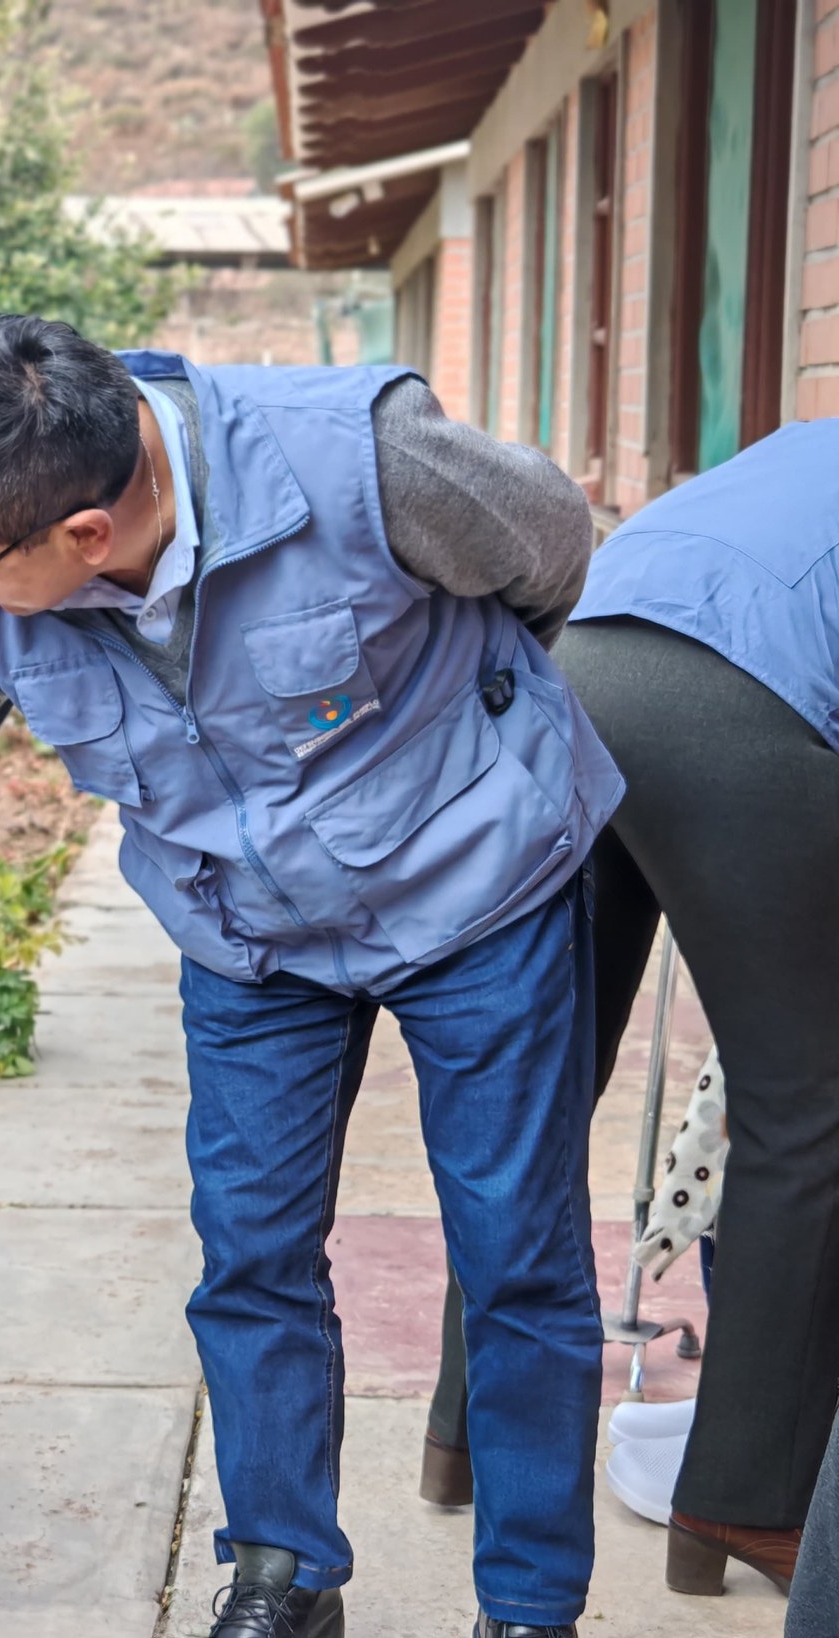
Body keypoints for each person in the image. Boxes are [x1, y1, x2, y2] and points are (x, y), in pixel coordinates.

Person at [0, 315, 621, 1638]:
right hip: (249, 933)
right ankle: (283, 1574)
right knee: (252, 1250)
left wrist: (461, 733)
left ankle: (528, 1605)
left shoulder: (366, 461)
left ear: (87, 535)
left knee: (515, 1254)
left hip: (479, 888)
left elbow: (550, 555)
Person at [424, 420, 839, 1606]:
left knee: (544, 1085)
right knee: (806, 1109)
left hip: (584, 662)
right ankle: (746, 1498)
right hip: (739, 698)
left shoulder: (807, 439)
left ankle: (465, 1433)